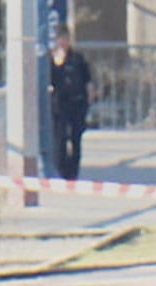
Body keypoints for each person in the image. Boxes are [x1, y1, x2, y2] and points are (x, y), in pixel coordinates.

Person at [48, 25, 93, 181]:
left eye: (65, 38)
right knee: (59, 139)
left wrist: (89, 100)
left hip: (77, 102)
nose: (63, 42)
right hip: (60, 103)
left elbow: (88, 81)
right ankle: (61, 169)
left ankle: (73, 172)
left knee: (76, 138)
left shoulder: (78, 58)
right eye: (60, 39)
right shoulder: (51, 60)